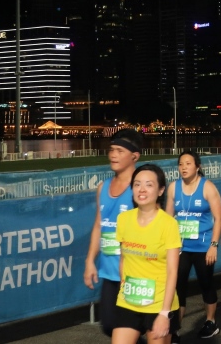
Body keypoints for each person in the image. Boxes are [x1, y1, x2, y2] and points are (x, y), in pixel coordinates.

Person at [83, 129, 144, 336]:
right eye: (111, 150)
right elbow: (98, 225)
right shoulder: (103, 187)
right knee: (109, 325)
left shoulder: (140, 189)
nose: (113, 155)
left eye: (120, 151)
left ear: (134, 156)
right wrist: (90, 261)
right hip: (109, 271)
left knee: (130, 328)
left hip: (134, 272)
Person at [113, 164, 182, 344]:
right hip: (128, 301)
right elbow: (123, 258)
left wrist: (164, 313)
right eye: (137, 184)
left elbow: (172, 271)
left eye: (149, 185)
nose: (142, 189)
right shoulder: (123, 219)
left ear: (160, 190)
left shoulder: (168, 224)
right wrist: (123, 284)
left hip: (159, 304)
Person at [165, 151, 221, 341]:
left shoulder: (207, 187)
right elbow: (167, 219)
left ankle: (210, 321)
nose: (184, 167)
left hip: (203, 246)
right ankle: (175, 329)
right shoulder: (173, 188)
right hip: (180, 247)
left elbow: (219, 218)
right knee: (178, 287)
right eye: (181, 164)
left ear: (197, 167)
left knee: (206, 283)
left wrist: (213, 245)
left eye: (188, 163)